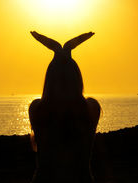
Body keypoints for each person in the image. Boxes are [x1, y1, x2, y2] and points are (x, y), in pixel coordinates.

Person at [29, 31, 101, 183]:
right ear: (77, 78)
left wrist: (58, 50)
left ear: (49, 80)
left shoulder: (37, 109)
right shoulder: (90, 109)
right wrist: (66, 49)